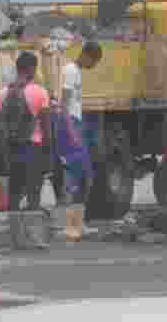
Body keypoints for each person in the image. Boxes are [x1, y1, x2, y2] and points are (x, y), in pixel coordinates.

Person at [0, 51, 52, 249]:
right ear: (31, 69)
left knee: (14, 194)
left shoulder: (3, 93)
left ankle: (16, 240)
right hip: (32, 148)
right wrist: (48, 153)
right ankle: (35, 239)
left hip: (11, 149)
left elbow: (0, 124)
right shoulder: (39, 92)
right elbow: (46, 127)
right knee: (33, 192)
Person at [58, 40, 103, 241]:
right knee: (76, 177)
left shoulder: (76, 71)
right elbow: (64, 103)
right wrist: (71, 131)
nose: (94, 66)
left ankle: (79, 224)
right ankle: (70, 226)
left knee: (85, 176)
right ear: (87, 55)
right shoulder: (69, 70)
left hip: (76, 124)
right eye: (95, 61)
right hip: (71, 126)